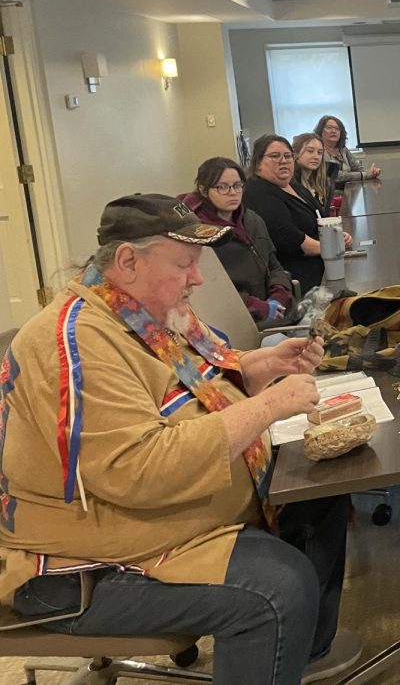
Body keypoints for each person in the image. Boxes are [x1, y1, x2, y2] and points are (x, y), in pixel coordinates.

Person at [0, 194, 360, 685]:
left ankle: (294, 658)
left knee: (322, 491)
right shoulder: (77, 341)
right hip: (78, 567)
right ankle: (280, 645)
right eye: (185, 263)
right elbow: (137, 470)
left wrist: (258, 368)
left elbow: (196, 388)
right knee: (275, 590)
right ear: (127, 261)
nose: (198, 278)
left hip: (142, 526)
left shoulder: (147, 311)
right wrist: (270, 405)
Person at [181, 157, 294, 328]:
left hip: (273, 313)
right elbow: (211, 291)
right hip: (234, 320)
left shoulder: (253, 220)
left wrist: (279, 295)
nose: (233, 192)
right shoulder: (199, 234)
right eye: (222, 187)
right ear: (203, 190)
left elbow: (274, 266)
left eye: (237, 185)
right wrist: (260, 308)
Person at [243, 134, 349, 296]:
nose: (283, 161)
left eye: (287, 156)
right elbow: (289, 239)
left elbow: (318, 217)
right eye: (274, 156)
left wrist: (335, 236)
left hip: (324, 264)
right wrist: (332, 247)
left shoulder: (291, 184)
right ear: (257, 163)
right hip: (302, 280)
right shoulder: (258, 192)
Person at [316, 115, 380, 184]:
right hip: (326, 192)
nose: (333, 131)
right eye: (329, 127)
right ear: (320, 130)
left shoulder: (343, 149)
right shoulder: (318, 151)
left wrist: (371, 172)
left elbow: (358, 169)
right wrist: (364, 175)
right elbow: (336, 175)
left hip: (348, 191)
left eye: (337, 128)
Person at [292, 132, 335, 217]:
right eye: (310, 151)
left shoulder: (321, 182)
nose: (316, 157)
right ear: (295, 154)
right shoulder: (290, 184)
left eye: (319, 152)